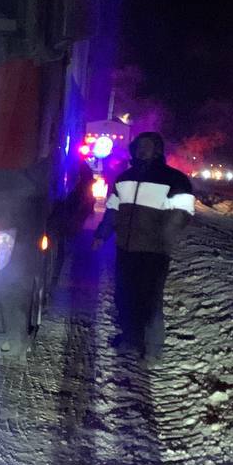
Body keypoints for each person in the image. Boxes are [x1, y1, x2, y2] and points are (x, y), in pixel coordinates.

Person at [91, 131, 195, 359]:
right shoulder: (124, 178)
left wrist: (163, 236)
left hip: (154, 252)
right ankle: (130, 339)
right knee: (124, 296)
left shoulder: (174, 179)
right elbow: (113, 209)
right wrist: (102, 234)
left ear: (158, 150)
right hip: (126, 249)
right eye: (139, 145)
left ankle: (152, 349)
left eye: (147, 145)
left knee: (150, 300)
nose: (142, 149)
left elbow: (184, 212)